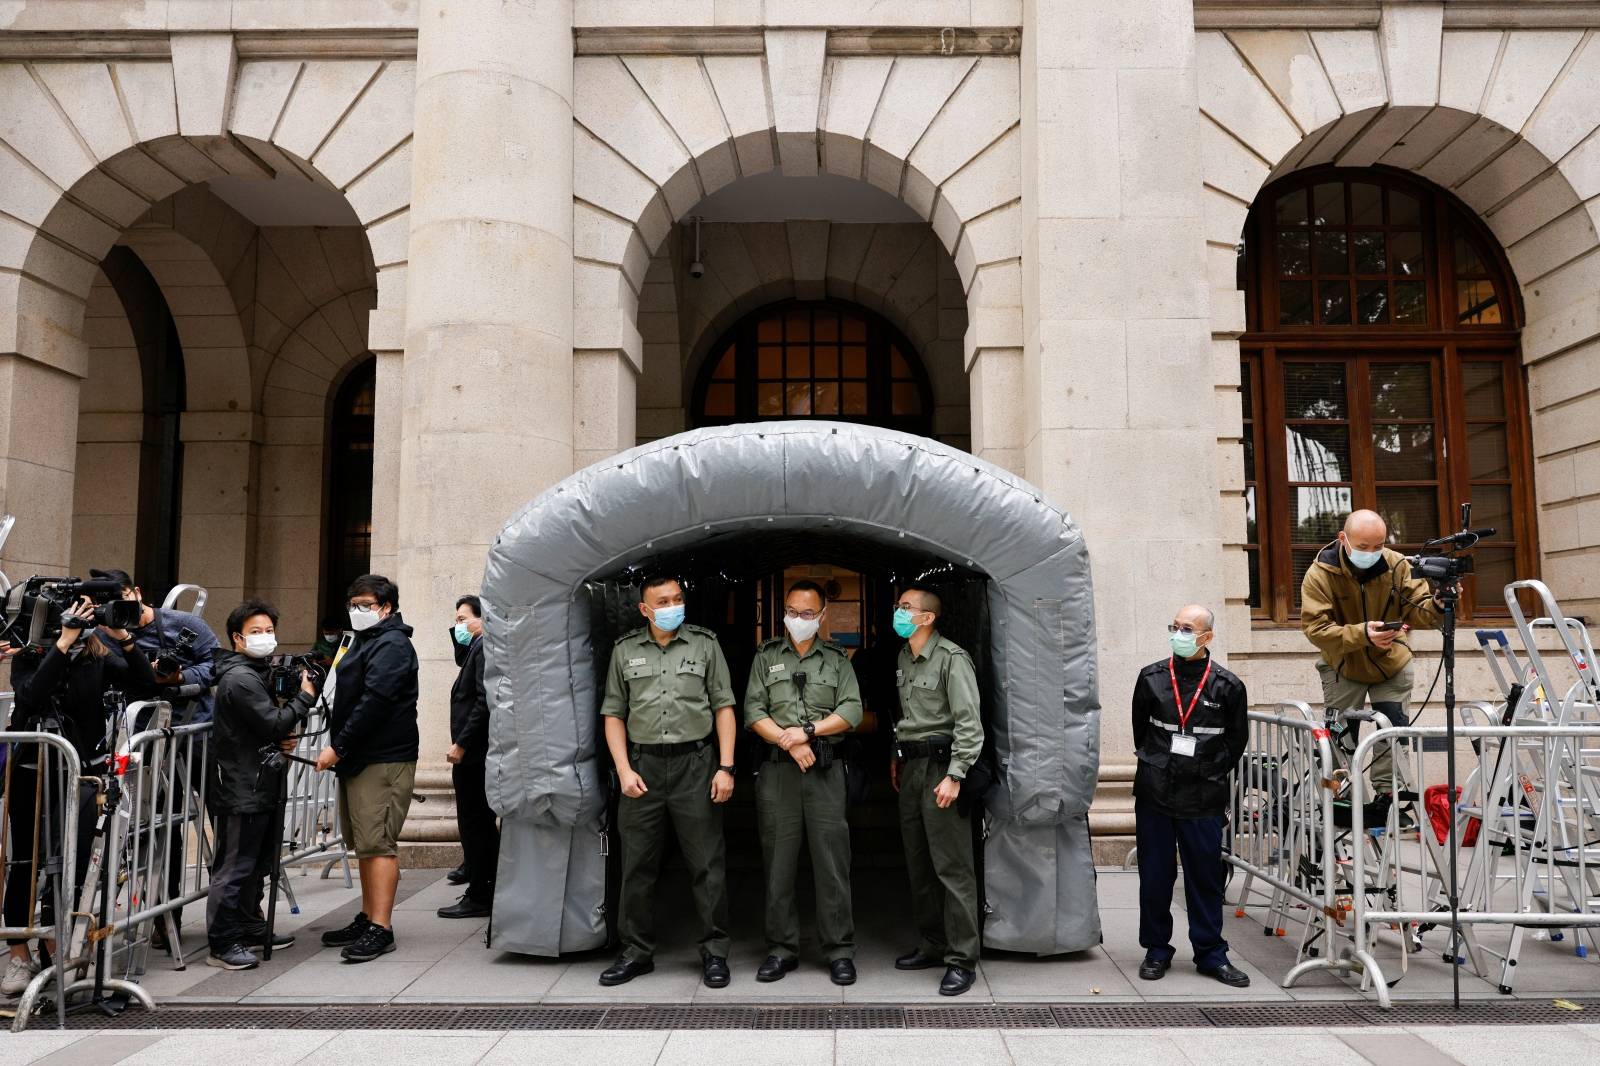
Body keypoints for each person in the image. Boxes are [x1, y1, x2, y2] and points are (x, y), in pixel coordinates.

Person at [4, 598, 156, 994]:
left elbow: (144, 683)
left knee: (71, 861)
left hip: (83, 773)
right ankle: (17, 955)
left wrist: (122, 637)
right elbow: (31, 696)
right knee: (26, 861)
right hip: (30, 772)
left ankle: (56, 945)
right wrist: (61, 645)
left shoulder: (98, 658)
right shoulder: (31, 656)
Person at [597, 576, 737, 989]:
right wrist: (623, 769)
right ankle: (636, 951)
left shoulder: (705, 644)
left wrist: (725, 767)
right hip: (643, 767)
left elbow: (724, 706)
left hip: (696, 763)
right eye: (663, 601)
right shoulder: (624, 651)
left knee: (707, 864)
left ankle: (715, 952)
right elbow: (613, 715)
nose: (672, 606)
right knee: (637, 864)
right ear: (644, 609)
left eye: (677, 599)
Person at [744, 580, 863, 986]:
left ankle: (839, 950)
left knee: (832, 863)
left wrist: (808, 731)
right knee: (779, 863)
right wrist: (787, 741)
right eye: (792, 611)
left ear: (823, 615)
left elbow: (852, 710)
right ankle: (781, 949)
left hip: (825, 773)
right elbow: (752, 710)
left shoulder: (837, 659)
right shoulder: (766, 656)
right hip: (778, 772)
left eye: (807, 613)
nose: (798, 619)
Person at [1131, 604, 1250, 987]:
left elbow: (1236, 742)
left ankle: (1211, 953)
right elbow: (1140, 731)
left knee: (1205, 877)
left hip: (1203, 796)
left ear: (1206, 637)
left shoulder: (1227, 686)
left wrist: (1209, 770)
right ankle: (1156, 949)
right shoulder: (1150, 678)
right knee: (1154, 876)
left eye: (1187, 628)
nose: (1179, 633)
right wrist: (1158, 764)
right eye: (1175, 626)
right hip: (1156, 792)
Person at [313, 574, 419, 964]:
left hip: (383, 757)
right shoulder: (366, 639)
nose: (357, 611)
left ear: (386, 608)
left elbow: (376, 701)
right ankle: (368, 915)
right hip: (362, 757)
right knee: (364, 843)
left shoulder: (392, 644)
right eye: (353, 605)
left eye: (366, 605)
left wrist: (337, 747)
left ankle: (381, 927)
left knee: (378, 844)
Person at [205, 599, 315, 970]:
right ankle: (222, 942)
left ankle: (249, 925)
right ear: (237, 638)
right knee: (235, 866)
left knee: (256, 864)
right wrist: (304, 698)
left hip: (258, 781)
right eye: (256, 632)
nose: (265, 638)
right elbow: (272, 723)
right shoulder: (240, 678)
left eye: (269, 631)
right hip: (241, 786)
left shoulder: (254, 673)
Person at [1301, 509, 1443, 794]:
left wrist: (1438, 605)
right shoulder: (1320, 573)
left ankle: (1390, 799)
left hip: (1392, 664)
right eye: (1363, 547)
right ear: (1343, 539)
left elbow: (1418, 610)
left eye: (1378, 546)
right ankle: (1344, 804)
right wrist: (1363, 634)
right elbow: (1315, 629)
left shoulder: (1397, 564)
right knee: (1340, 740)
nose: (1371, 553)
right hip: (1343, 665)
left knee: (1392, 735)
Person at [888, 585, 983, 997]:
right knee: (919, 862)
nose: (899, 612)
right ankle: (931, 942)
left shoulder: (952, 659)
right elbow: (908, 717)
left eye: (906, 608)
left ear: (928, 617)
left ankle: (962, 958)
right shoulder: (904, 657)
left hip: (942, 768)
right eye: (899, 606)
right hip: (912, 766)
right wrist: (897, 756)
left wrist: (956, 774)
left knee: (952, 866)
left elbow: (969, 723)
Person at [438, 594, 498, 920]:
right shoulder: (475, 648)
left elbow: (483, 703)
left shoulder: (485, 649)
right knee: (477, 824)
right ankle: (481, 887)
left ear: (481, 618)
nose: (458, 625)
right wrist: (462, 629)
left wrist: (461, 743)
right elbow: (460, 656)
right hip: (473, 753)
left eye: (462, 619)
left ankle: (481, 893)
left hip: (474, 754)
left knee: (476, 824)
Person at [97, 568, 220, 724]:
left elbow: (217, 665)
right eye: (107, 602)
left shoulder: (184, 623)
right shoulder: (101, 634)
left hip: (191, 726)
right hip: (136, 729)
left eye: (121, 596)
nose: (116, 605)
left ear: (137, 593)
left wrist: (181, 677)